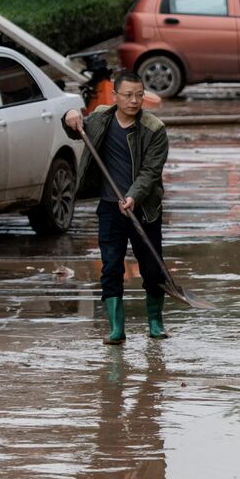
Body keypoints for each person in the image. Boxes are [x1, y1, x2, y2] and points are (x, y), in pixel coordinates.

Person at [63, 71, 170, 343]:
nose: (134, 101)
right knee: (111, 267)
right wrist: (70, 114)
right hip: (111, 209)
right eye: (128, 95)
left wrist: (133, 196)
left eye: (139, 95)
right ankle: (116, 329)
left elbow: (150, 172)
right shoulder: (100, 119)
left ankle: (155, 323)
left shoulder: (154, 129)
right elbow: (75, 127)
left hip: (144, 210)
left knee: (152, 268)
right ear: (116, 95)